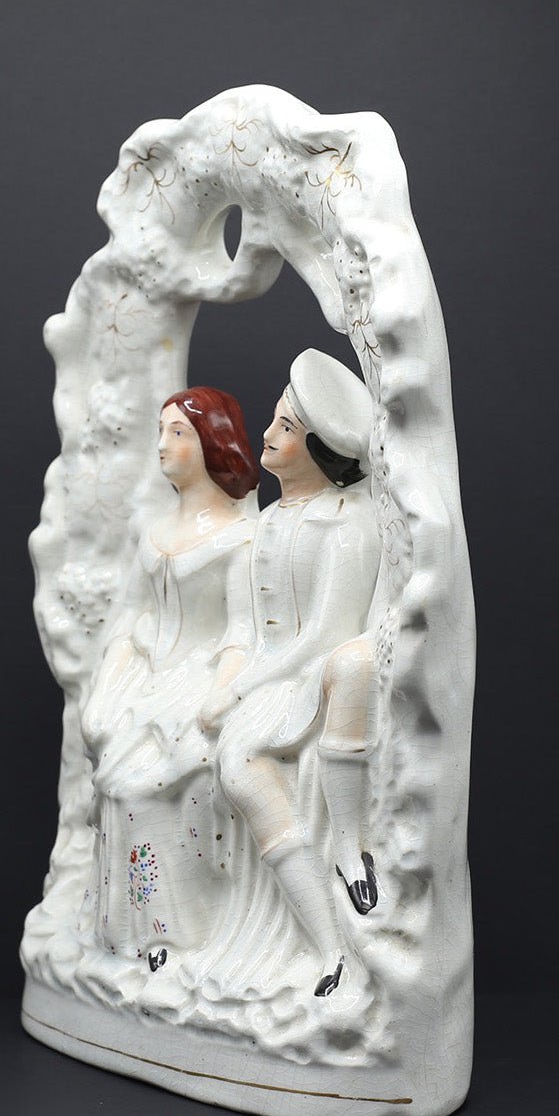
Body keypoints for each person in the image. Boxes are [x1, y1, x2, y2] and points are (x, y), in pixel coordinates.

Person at [201, 349, 382, 998]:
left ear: (320, 448)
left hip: (310, 677)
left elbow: (328, 633)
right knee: (236, 765)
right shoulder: (267, 521)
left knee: (242, 754)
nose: (269, 435)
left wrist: (243, 690)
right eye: (275, 421)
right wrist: (229, 681)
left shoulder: (349, 522)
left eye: (286, 426)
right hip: (271, 675)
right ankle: (327, 944)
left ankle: (350, 847)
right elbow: (247, 626)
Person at [80, 387, 259, 972]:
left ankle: (173, 936)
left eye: (177, 432)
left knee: (147, 789)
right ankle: (123, 934)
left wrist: (218, 697)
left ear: (212, 443)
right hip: (144, 683)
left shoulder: (242, 537)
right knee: (113, 785)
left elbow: (242, 632)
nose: (162, 444)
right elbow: (133, 621)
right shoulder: (153, 532)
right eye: (161, 431)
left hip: (200, 681)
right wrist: (106, 691)